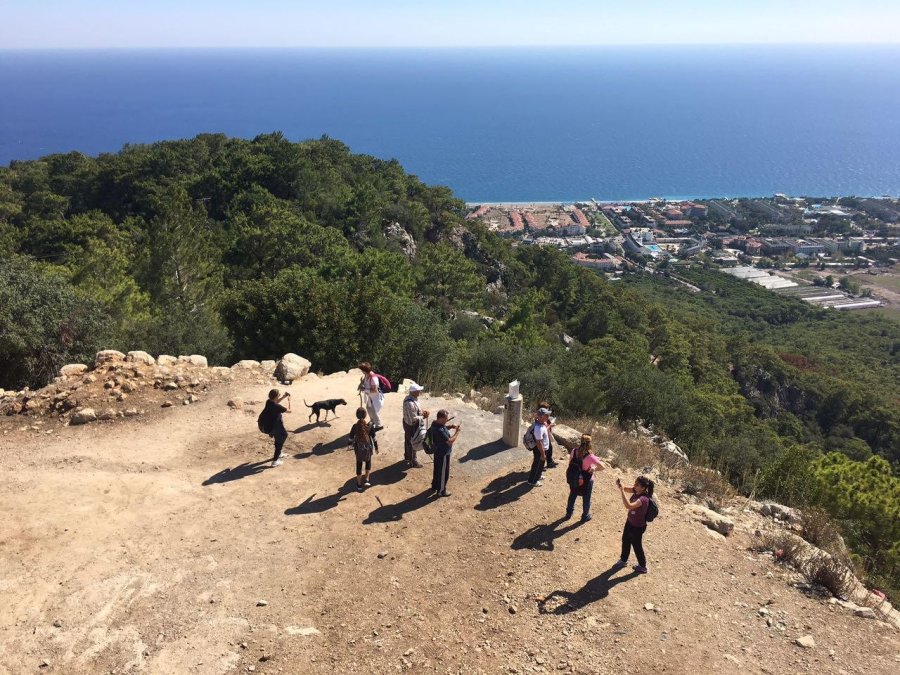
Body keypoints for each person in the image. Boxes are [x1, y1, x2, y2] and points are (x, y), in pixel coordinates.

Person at [612, 475, 655, 574]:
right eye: (635, 483)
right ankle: (623, 560)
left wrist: (622, 491)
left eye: (637, 484)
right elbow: (626, 488)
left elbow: (628, 506)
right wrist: (620, 485)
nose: (634, 485)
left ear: (643, 488)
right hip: (630, 522)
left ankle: (643, 566)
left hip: (638, 527)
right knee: (625, 540)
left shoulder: (643, 499)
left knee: (637, 545)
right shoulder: (637, 491)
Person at [564, 434, 605, 522]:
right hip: (586, 480)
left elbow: (570, 462)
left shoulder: (574, 451)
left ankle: (568, 513)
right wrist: (594, 468)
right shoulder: (590, 457)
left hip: (573, 477)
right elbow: (602, 467)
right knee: (586, 498)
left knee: (572, 495)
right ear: (589, 443)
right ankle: (585, 516)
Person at [428, 409, 460, 497]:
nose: (447, 419)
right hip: (443, 454)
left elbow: (443, 427)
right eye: (446, 418)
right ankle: (441, 491)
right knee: (443, 473)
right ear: (441, 418)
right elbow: (450, 441)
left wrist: (451, 426)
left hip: (437, 452)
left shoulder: (435, 424)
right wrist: (457, 432)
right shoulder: (439, 431)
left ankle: (435, 486)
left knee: (437, 470)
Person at [348, 407, 379, 492]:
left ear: (356, 415)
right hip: (368, 449)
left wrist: (350, 446)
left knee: (359, 465)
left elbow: (350, 439)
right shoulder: (370, 425)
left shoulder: (355, 426)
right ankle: (367, 480)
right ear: (365, 415)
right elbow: (374, 438)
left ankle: (358, 484)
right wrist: (376, 447)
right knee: (368, 463)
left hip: (358, 449)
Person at [402, 383, 428, 468]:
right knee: (414, 442)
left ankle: (407, 457)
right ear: (413, 392)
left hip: (408, 423)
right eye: (418, 391)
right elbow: (413, 419)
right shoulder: (409, 403)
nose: (419, 392)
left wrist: (422, 412)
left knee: (408, 441)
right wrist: (423, 416)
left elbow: (416, 410)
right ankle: (413, 461)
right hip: (411, 426)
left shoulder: (412, 398)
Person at [264, 389, 291, 467]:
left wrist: (283, 397)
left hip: (271, 425)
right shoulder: (276, 406)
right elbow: (290, 411)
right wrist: (289, 401)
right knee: (284, 436)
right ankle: (275, 461)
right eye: (279, 394)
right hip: (277, 426)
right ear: (276, 396)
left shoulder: (269, 401)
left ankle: (279, 453)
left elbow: (276, 402)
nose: (279, 395)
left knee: (278, 438)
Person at [527, 408, 552, 487]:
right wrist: (543, 454)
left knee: (540, 464)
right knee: (537, 464)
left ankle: (538, 476)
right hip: (540, 450)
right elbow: (539, 442)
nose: (548, 416)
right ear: (541, 417)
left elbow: (544, 432)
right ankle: (532, 481)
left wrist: (549, 426)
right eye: (546, 415)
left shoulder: (541, 424)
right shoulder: (538, 428)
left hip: (543, 449)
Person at [357, 362, 384, 430]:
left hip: (375, 398)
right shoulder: (367, 374)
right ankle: (373, 421)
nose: (361, 371)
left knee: (373, 411)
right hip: (370, 397)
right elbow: (364, 380)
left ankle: (379, 425)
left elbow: (374, 390)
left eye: (362, 370)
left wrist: (364, 389)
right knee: (368, 408)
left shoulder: (373, 378)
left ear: (364, 370)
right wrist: (360, 384)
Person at [538, 400, 558, 469]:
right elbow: (543, 430)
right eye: (546, 409)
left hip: (546, 436)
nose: (547, 410)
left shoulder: (542, 417)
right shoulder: (540, 419)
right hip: (543, 438)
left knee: (550, 449)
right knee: (545, 451)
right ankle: (542, 466)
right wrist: (550, 425)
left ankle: (549, 462)